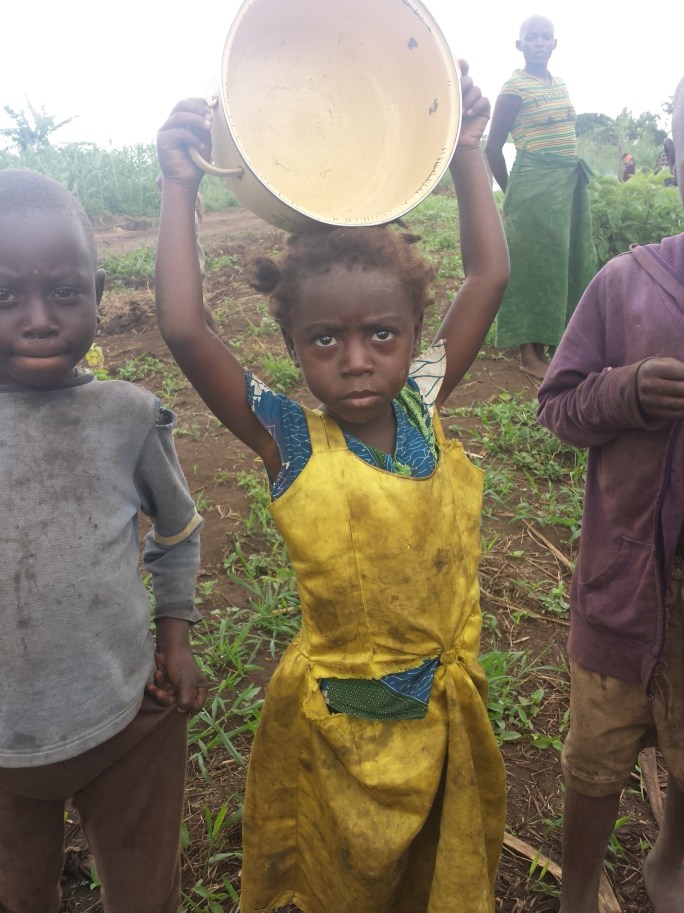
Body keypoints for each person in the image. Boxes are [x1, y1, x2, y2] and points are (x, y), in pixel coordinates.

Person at [156, 62, 508, 913]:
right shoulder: (289, 442)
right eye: (325, 339)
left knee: (432, 874)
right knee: (338, 875)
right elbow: (183, 326)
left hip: (443, 723)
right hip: (340, 732)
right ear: (294, 343)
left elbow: (487, 276)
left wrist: (467, 149)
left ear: (415, 333)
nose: (356, 359)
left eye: (381, 334)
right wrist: (176, 189)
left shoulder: (422, 407)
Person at [0, 169, 208, 913]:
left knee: (143, 886)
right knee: (21, 892)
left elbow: (178, 531)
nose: (38, 319)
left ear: (98, 291)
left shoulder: (128, 416)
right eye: (5, 297)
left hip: (126, 718)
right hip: (4, 747)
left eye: (65, 292)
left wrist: (175, 637)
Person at [537, 75, 684, 913]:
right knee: (594, 759)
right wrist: (624, 392)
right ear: (671, 160)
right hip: (622, 588)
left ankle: (669, 859)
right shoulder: (626, 285)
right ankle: (577, 888)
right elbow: (557, 404)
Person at [485, 14, 597, 380]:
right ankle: (528, 353)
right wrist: (512, 191)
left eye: (544, 37)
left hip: (564, 189)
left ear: (554, 44)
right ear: (519, 45)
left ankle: (551, 341)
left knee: (558, 264)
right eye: (530, 37)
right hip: (532, 188)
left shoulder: (560, 84)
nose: (538, 42)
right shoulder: (513, 87)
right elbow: (493, 148)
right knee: (532, 268)